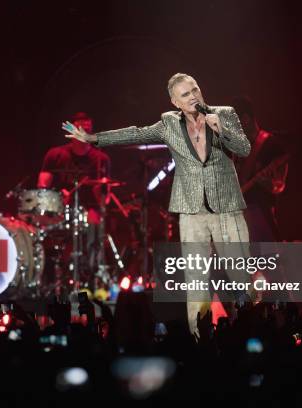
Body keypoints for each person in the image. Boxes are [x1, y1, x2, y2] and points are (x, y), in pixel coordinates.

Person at [63, 73, 252, 335]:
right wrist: (94, 139)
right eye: (185, 94)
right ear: (175, 101)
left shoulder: (225, 114)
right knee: (196, 281)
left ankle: (252, 332)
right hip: (191, 209)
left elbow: (244, 148)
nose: (193, 96)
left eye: (195, 89)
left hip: (227, 207)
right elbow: (134, 134)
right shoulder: (168, 124)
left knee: (240, 274)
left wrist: (222, 129)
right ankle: (201, 338)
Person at [38, 112, 111, 282]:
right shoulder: (55, 154)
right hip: (60, 210)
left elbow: (104, 200)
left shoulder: (101, 159)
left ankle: (90, 272)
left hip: (88, 211)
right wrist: (56, 196)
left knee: (95, 220)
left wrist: (98, 192)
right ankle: (48, 272)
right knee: (42, 223)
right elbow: (42, 187)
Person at [231, 96, 288, 242]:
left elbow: (279, 185)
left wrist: (266, 183)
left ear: (245, 119)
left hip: (260, 216)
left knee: (264, 262)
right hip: (239, 218)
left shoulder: (271, 145)